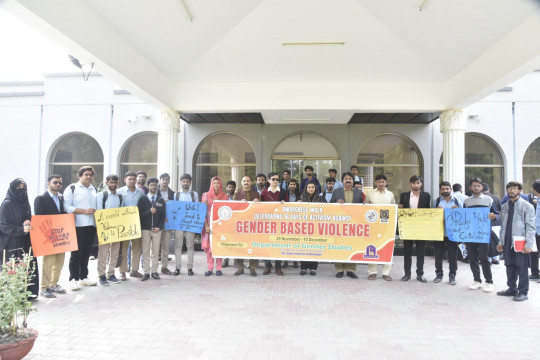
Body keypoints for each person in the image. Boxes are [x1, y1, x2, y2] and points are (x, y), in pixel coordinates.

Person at [496, 181, 536, 301]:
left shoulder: (527, 206)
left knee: (522, 266)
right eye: (509, 189)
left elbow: (530, 226)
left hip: (520, 240)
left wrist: (529, 244)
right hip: (507, 240)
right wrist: (500, 241)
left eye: (514, 189)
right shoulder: (504, 206)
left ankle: (523, 291)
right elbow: (503, 226)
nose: (511, 191)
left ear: (519, 191)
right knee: (509, 265)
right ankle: (512, 288)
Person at [0, 179, 39, 298]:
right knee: (14, 266)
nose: (22, 190)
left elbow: (25, 219)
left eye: (24, 187)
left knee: (27, 266)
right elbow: (3, 225)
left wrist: (27, 222)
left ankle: (28, 293)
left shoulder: (25, 202)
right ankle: (12, 296)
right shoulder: (7, 204)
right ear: (12, 189)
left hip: (26, 241)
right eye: (19, 187)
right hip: (12, 243)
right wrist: (20, 229)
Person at [63, 166, 98, 290]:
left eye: (90, 175)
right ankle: (73, 278)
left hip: (91, 225)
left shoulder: (94, 189)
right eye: (86, 174)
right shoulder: (72, 188)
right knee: (76, 253)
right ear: (80, 175)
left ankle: (84, 277)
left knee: (86, 252)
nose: (88, 177)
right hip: (78, 225)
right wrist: (83, 211)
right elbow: (66, 206)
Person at [34, 175, 67, 298]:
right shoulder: (41, 198)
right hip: (48, 236)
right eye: (55, 182)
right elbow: (39, 217)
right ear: (48, 184)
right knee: (48, 262)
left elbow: (63, 213)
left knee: (59, 261)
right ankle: (44, 287)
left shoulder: (62, 198)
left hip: (61, 236)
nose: (58, 185)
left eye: (59, 183)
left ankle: (54, 284)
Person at [464, 177, 498, 293]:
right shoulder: (467, 201)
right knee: (472, 258)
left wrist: (494, 216)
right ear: (470, 187)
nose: (476, 188)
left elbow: (496, 214)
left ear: (482, 187)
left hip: (483, 234)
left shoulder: (488, 200)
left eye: (478, 186)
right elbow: (464, 216)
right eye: (474, 186)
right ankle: (477, 281)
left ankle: (489, 282)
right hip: (470, 234)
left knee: (484, 258)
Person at [330, 172, 364, 279]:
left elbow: (364, 207)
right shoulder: (336, 192)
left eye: (350, 178)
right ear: (342, 181)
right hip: (340, 225)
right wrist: (336, 204)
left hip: (354, 225)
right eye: (346, 178)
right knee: (339, 246)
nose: (348, 180)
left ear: (353, 181)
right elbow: (330, 207)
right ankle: (339, 269)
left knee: (353, 246)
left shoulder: (359, 192)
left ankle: (350, 270)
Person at [399, 175, 431, 283]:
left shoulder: (426, 196)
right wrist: (400, 208)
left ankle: (420, 274)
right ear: (410, 184)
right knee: (407, 251)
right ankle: (407, 274)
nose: (415, 185)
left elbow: (428, 211)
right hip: (408, 227)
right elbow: (401, 210)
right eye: (413, 183)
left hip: (420, 227)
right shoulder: (404, 195)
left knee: (420, 252)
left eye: (417, 183)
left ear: (421, 184)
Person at [365, 173, 395, 281]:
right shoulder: (370, 194)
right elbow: (365, 208)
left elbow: (393, 209)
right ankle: (372, 272)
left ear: (386, 183)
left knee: (387, 247)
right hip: (373, 225)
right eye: (378, 182)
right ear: (375, 183)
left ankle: (386, 272)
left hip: (386, 226)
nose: (381, 184)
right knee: (372, 247)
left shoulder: (390, 194)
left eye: (383, 182)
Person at [95, 174, 123, 286]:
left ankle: (111, 273)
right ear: (106, 183)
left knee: (115, 252)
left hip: (116, 228)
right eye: (111, 182)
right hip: (105, 228)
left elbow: (121, 212)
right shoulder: (102, 195)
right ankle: (101, 275)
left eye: (115, 183)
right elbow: (98, 212)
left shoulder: (120, 196)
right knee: (103, 253)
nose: (113, 185)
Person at [138, 177, 166, 281]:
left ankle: (154, 271)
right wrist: (149, 211)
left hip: (157, 230)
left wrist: (159, 227)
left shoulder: (161, 200)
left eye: (155, 185)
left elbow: (163, 216)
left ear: (157, 187)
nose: (153, 187)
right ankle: (146, 272)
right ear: (148, 186)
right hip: (145, 229)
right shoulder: (143, 199)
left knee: (155, 252)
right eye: (151, 185)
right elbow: (139, 215)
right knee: (145, 252)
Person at [433, 181, 461, 285]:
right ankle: (439, 274)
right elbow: (431, 217)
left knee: (453, 256)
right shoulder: (436, 202)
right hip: (439, 232)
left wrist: (458, 210)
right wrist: (437, 214)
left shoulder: (457, 201)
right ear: (440, 190)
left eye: (447, 189)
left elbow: (463, 216)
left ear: (451, 189)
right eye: (443, 189)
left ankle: (452, 275)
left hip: (452, 233)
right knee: (438, 255)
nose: (445, 191)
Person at [118, 171, 145, 280]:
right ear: (125, 180)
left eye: (134, 179)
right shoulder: (120, 192)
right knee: (124, 247)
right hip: (124, 223)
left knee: (137, 247)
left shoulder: (140, 192)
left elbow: (143, 206)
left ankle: (134, 270)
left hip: (136, 223)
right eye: (130, 179)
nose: (132, 181)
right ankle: (122, 271)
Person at [170, 173, 199, 276]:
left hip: (190, 224)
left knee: (190, 246)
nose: (185, 183)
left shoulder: (194, 194)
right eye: (183, 181)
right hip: (179, 224)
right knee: (178, 246)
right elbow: (174, 209)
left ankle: (190, 268)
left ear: (190, 183)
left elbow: (197, 209)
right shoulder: (176, 194)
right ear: (181, 182)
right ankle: (177, 268)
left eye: (187, 181)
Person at [261, 172, 288, 275]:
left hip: (279, 223)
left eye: (277, 179)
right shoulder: (263, 193)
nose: (275, 181)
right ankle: (267, 266)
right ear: (268, 180)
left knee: (278, 244)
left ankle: (278, 266)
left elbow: (288, 208)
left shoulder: (283, 192)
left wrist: (285, 205)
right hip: (267, 223)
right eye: (273, 179)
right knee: (267, 244)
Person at [233, 176, 260, 276]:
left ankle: (253, 268)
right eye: (244, 181)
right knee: (239, 246)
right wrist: (240, 204)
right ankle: (240, 267)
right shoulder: (237, 194)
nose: (246, 182)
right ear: (241, 182)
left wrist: (258, 203)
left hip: (253, 224)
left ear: (251, 182)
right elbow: (233, 209)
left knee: (253, 245)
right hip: (240, 224)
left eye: (248, 181)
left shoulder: (256, 194)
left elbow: (261, 209)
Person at [201, 177, 229, 276]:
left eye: (218, 183)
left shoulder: (224, 196)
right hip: (208, 226)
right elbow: (202, 212)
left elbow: (227, 212)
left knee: (219, 247)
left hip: (220, 226)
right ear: (211, 184)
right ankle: (209, 268)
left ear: (220, 185)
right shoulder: (206, 196)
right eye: (214, 183)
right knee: (209, 249)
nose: (216, 185)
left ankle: (219, 268)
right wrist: (206, 225)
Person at [298, 181, 326, 275]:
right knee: (304, 247)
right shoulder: (302, 198)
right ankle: (304, 268)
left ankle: (313, 268)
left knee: (314, 246)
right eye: (309, 187)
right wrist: (297, 204)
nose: (310, 189)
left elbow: (326, 210)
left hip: (316, 227)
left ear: (316, 188)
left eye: (312, 187)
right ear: (306, 188)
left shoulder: (321, 198)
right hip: (304, 227)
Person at [158, 172, 175, 275]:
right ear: (160, 180)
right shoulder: (155, 192)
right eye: (163, 179)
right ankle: (153, 268)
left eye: (167, 179)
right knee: (154, 247)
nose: (165, 181)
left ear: (169, 181)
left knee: (165, 247)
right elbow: (152, 205)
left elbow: (175, 210)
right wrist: (163, 202)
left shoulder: (173, 194)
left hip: (168, 224)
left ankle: (164, 267)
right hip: (156, 223)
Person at [529, 180, 540, 280]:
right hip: (536, 231)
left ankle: (535, 273)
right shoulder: (538, 201)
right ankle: (535, 273)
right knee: (534, 252)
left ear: (535, 190)